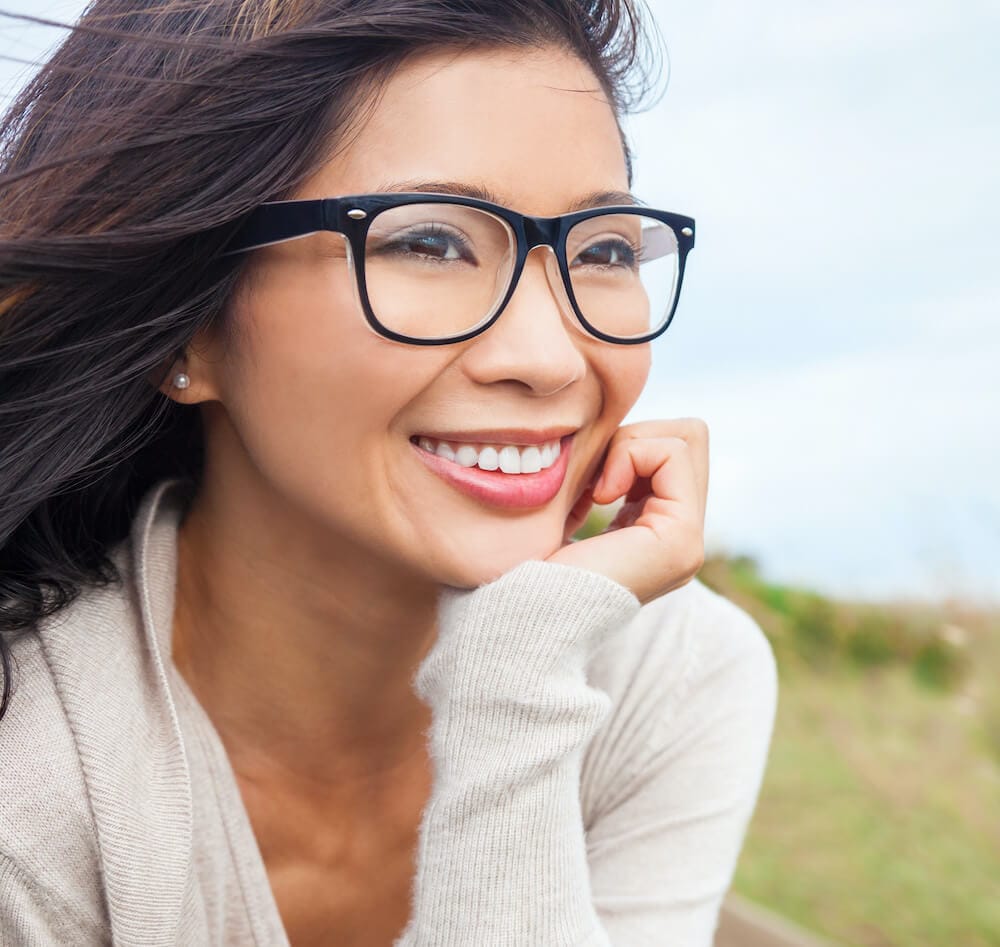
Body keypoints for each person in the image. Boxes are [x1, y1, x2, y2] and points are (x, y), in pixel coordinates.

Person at [0, 1, 778, 944]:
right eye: (428, 242)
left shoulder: (670, 674)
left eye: (604, 249)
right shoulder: (30, 782)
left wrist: (516, 676)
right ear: (190, 329)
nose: (551, 357)